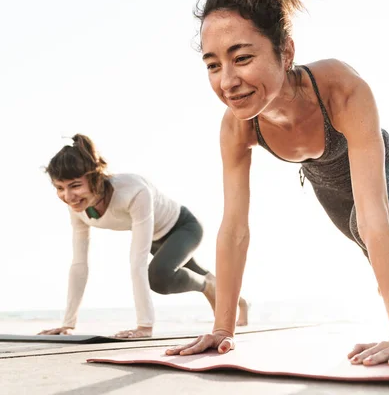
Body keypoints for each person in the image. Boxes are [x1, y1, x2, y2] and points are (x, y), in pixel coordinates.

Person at [167, 0, 389, 366]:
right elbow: (234, 228)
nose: (228, 81)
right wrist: (222, 329)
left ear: (286, 52)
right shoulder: (237, 126)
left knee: (366, 225)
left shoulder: (341, 88)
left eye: (242, 58)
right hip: (324, 180)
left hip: (385, 166)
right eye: (212, 64)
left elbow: (372, 216)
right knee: (361, 229)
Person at [38, 134, 249, 338]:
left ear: (95, 177)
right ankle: (238, 301)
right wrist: (68, 323)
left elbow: (137, 262)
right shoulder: (77, 207)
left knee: (159, 277)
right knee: (192, 272)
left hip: (184, 227)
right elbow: (79, 265)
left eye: (75, 186)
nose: (68, 197)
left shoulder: (133, 191)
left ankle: (208, 286)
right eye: (60, 188)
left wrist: (144, 326)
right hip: (156, 240)